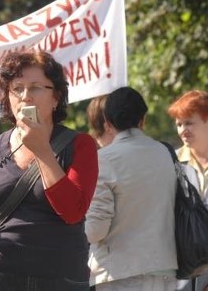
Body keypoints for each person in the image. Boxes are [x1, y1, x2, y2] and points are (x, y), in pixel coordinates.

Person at [0, 49, 98, 291]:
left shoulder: (80, 145)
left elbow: (72, 212)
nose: (26, 96)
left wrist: (43, 152)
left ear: (56, 97)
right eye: (17, 88)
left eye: (36, 87)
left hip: (61, 280)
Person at [86, 86, 177, 291]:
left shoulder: (104, 159)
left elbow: (95, 230)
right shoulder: (166, 153)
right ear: (142, 120)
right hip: (165, 271)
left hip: (119, 273)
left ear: (108, 124)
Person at [168, 90, 208, 291]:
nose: (183, 130)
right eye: (179, 124)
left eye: (189, 123)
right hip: (180, 278)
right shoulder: (170, 163)